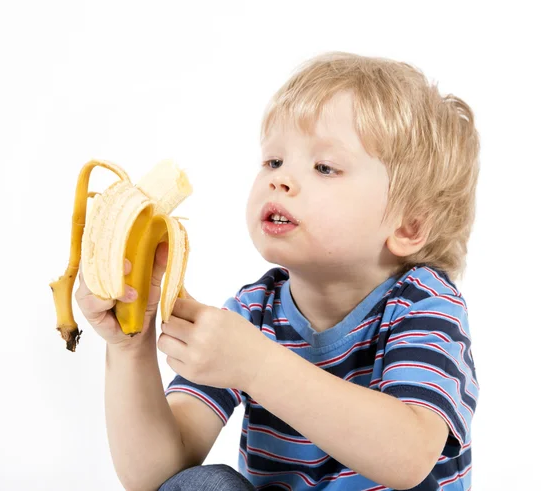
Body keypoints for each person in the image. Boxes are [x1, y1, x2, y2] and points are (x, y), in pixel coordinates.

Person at [76, 51, 480, 491]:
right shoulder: (253, 313)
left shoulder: (425, 304)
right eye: (273, 161)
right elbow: (157, 476)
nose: (280, 180)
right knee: (204, 484)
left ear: (409, 226)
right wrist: (130, 349)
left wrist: (256, 366)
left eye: (325, 167)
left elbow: (408, 456)